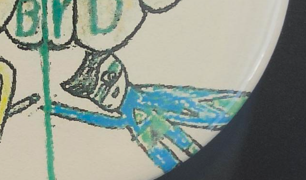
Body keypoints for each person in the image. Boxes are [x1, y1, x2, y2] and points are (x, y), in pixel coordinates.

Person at [51, 51, 248, 172]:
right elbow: (97, 119)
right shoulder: (126, 115)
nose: (110, 88)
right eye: (100, 92)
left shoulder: (146, 95)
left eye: (110, 76)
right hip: (148, 139)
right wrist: (58, 109)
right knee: (170, 162)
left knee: (188, 145)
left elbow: (181, 100)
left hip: (159, 126)